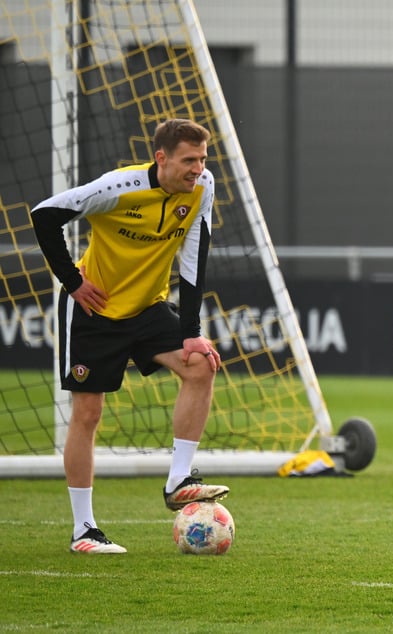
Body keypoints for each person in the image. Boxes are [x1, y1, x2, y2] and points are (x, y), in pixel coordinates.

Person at [32, 118, 230, 554]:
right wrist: (71, 281)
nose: (197, 168)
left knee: (201, 364)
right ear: (161, 158)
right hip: (94, 311)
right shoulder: (116, 188)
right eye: (188, 160)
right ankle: (84, 529)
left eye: (202, 159)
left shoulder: (203, 186)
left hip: (147, 308)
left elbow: (195, 256)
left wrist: (191, 333)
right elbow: (44, 215)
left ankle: (178, 481)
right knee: (87, 414)